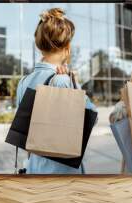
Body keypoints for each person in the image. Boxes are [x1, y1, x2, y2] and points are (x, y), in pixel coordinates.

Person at [16, 8, 96, 174]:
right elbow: (90, 119)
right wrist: (75, 84)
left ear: (40, 46)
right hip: (62, 172)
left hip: (34, 168)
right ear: (67, 46)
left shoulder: (24, 82)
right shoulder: (63, 80)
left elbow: (24, 134)